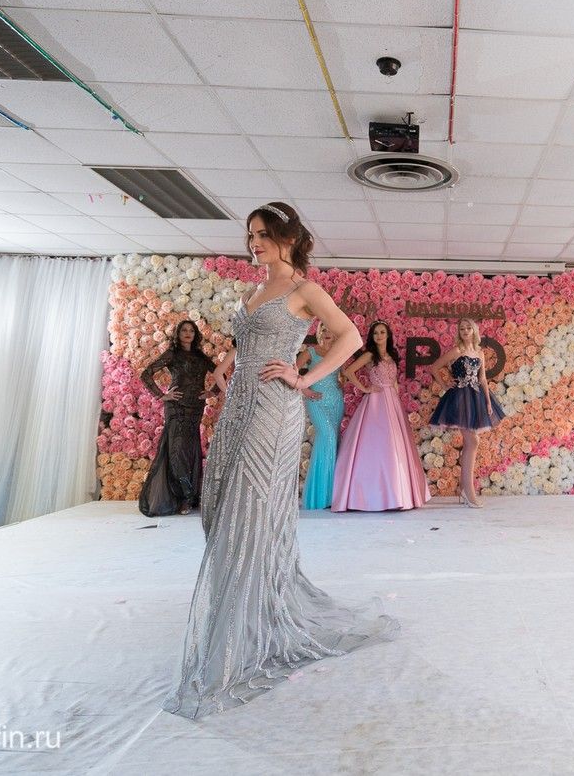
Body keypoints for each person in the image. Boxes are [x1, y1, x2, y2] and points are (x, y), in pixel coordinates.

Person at [163, 202, 395, 719]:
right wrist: (225, 368)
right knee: (217, 507)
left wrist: (304, 377)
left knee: (250, 512)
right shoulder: (253, 292)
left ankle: (245, 631)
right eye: (251, 235)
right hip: (237, 409)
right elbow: (246, 344)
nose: (255, 243)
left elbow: (351, 337)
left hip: (274, 410)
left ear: (289, 239)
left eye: (264, 234)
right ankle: (246, 609)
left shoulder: (303, 290)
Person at [331, 321, 429, 512]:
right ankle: (374, 495)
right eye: (375, 333)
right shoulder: (370, 355)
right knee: (377, 444)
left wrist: (395, 395)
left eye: (382, 332)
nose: (379, 336)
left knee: (396, 445)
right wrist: (364, 388)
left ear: (388, 335)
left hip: (392, 402)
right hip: (376, 403)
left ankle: (398, 494)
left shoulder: (392, 355)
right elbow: (348, 371)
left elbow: (394, 381)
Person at [138, 319, 215, 517]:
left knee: (189, 450)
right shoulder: (172, 354)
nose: (188, 333)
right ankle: (185, 495)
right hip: (176, 407)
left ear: (195, 334)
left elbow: (220, 374)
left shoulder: (201, 356)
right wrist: (162, 395)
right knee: (177, 451)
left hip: (195, 408)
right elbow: (146, 374)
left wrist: (212, 392)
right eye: (184, 330)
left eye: (191, 330)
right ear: (178, 334)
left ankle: (189, 497)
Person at [428, 318, 506, 509]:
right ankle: (468, 492)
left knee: (471, 442)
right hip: (459, 398)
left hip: (476, 397)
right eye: (461, 328)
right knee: (473, 441)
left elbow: (483, 379)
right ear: (459, 332)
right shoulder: (457, 351)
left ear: (474, 331)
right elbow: (434, 368)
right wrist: (444, 385)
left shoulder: (479, 352)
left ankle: (465, 490)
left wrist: (488, 401)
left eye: (468, 328)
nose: (465, 331)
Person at [297, 324, 345, 510]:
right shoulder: (310, 352)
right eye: (323, 329)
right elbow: (292, 372)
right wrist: (306, 390)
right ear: (319, 333)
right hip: (315, 401)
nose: (327, 333)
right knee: (327, 436)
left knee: (334, 441)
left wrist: (341, 382)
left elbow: (342, 376)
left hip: (336, 401)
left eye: (330, 329)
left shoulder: (339, 352)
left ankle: (333, 496)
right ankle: (318, 496)